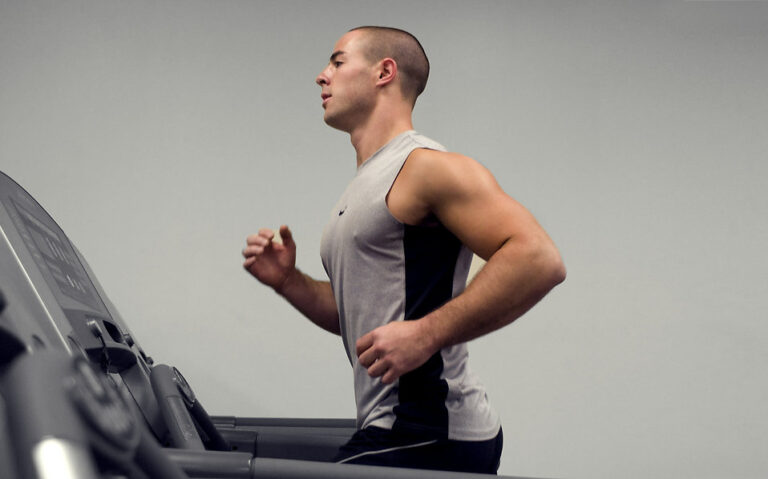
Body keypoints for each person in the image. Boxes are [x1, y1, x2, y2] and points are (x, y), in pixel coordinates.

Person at [242, 26, 565, 474]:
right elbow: (365, 319)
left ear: (384, 72)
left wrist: (428, 334)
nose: (321, 76)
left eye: (337, 62)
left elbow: (538, 258)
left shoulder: (425, 167)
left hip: (432, 431)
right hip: (397, 428)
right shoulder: (365, 185)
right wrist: (288, 281)